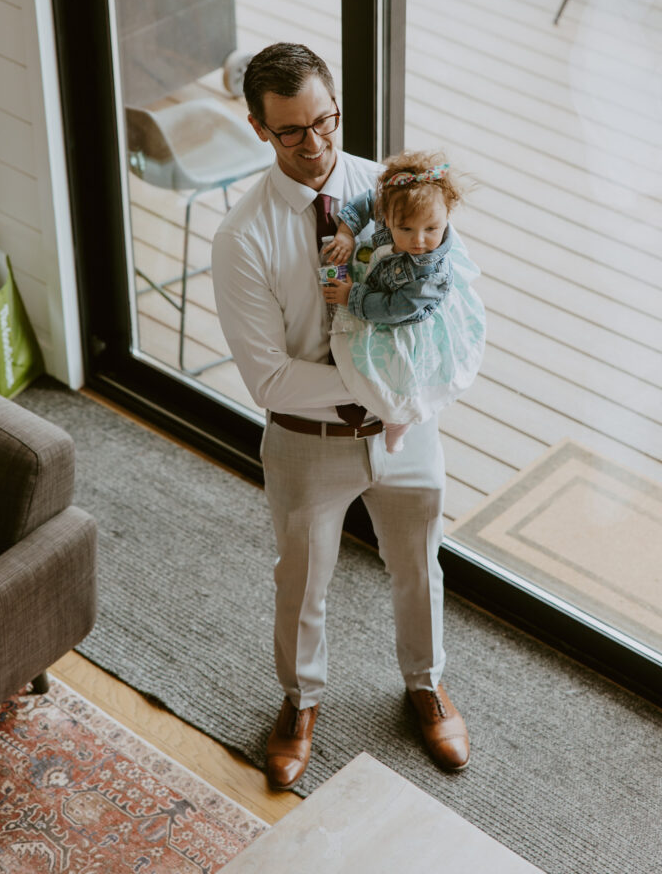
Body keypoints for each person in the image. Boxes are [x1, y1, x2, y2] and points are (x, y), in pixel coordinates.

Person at [212, 42, 471, 791]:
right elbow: (269, 378)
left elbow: (437, 276)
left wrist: (408, 385)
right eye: (292, 130)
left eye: (325, 120)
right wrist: (371, 387)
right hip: (308, 441)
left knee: (419, 565)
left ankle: (423, 683)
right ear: (259, 128)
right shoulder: (242, 238)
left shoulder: (389, 187)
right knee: (302, 582)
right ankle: (300, 702)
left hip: (405, 427)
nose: (316, 143)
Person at [321, 150, 485, 453]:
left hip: (408, 316)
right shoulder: (390, 205)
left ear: (447, 215)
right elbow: (367, 201)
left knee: (399, 378)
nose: (418, 240)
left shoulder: (430, 273)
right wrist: (346, 233)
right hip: (382, 279)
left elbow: (395, 308)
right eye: (405, 229)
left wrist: (352, 296)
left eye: (431, 229)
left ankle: (398, 422)